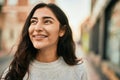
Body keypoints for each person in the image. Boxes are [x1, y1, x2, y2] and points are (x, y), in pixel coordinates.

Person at [1, 3, 87, 80]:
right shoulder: (14, 72)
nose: (37, 28)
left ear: (62, 30)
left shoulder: (78, 71)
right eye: (34, 21)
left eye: (47, 21)